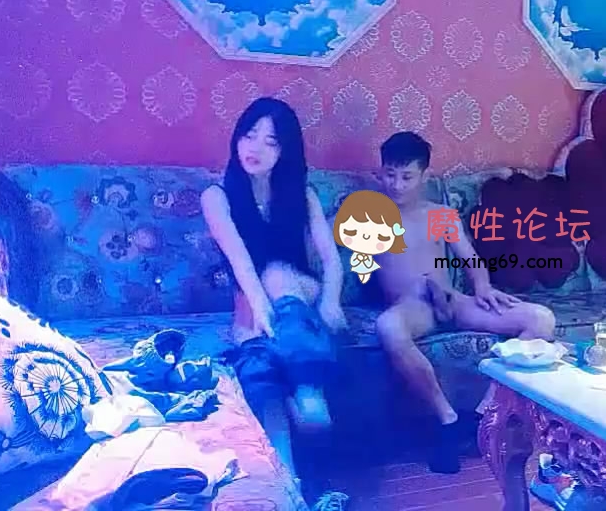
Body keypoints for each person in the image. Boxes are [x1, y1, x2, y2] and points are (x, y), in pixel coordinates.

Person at [369, 131, 556, 474]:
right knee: (387, 327)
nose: (396, 185)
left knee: (541, 319)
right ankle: (447, 420)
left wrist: (482, 287)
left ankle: (482, 416)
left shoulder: (440, 215)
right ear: (380, 173)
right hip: (414, 307)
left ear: (424, 176)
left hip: (452, 300)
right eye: (389, 175)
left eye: (407, 176)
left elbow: (470, 259)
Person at [200, 97, 348, 486]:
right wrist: (263, 316)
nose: (256, 148)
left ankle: (307, 386)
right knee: (268, 386)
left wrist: (331, 301)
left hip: (301, 294)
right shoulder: (217, 197)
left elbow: (331, 261)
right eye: (249, 135)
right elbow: (241, 263)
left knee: (279, 274)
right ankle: (292, 484)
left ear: (285, 151)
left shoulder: (302, 195)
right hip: (252, 306)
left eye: (271, 141)